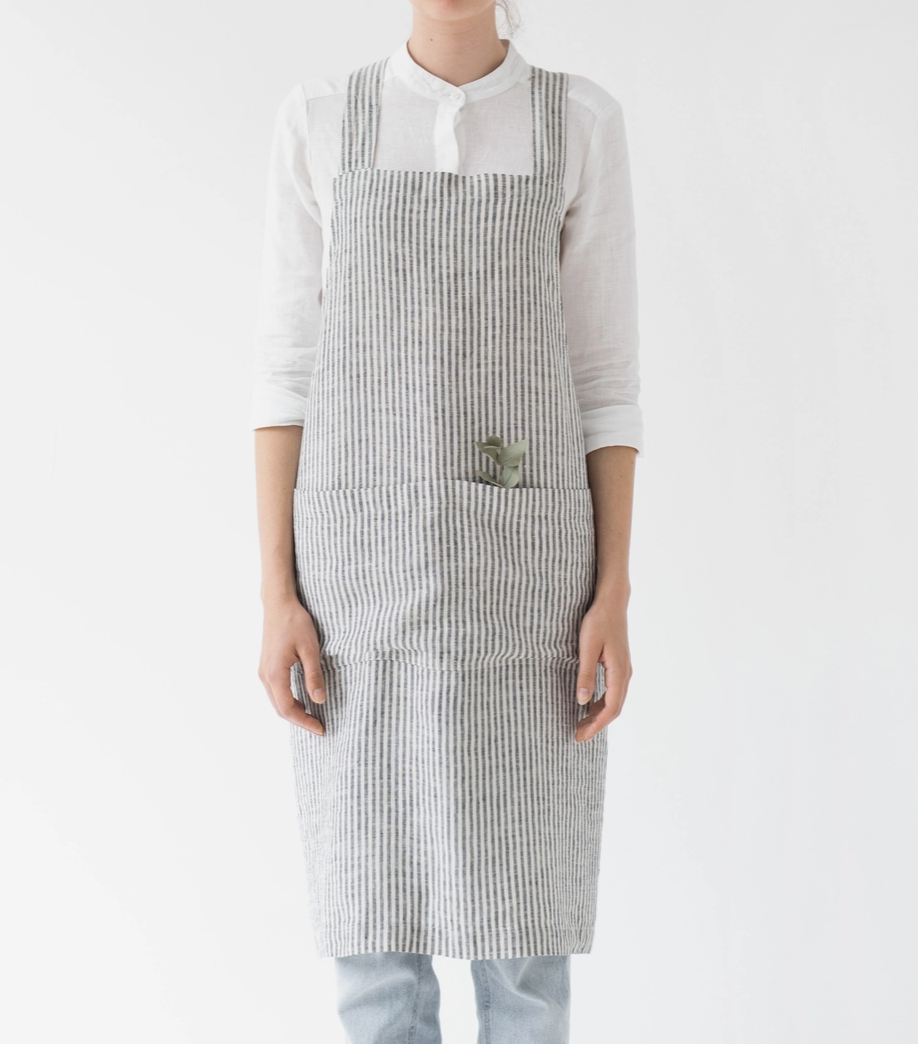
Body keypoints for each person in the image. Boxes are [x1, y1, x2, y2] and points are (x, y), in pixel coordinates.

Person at [251, 2, 643, 1040]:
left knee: (525, 962)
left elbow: (604, 383)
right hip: (354, 589)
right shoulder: (319, 117)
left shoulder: (579, 122)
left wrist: (613, 591)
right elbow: (285, 376)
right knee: (374, 960)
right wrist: (277, 594)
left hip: (529, 594)